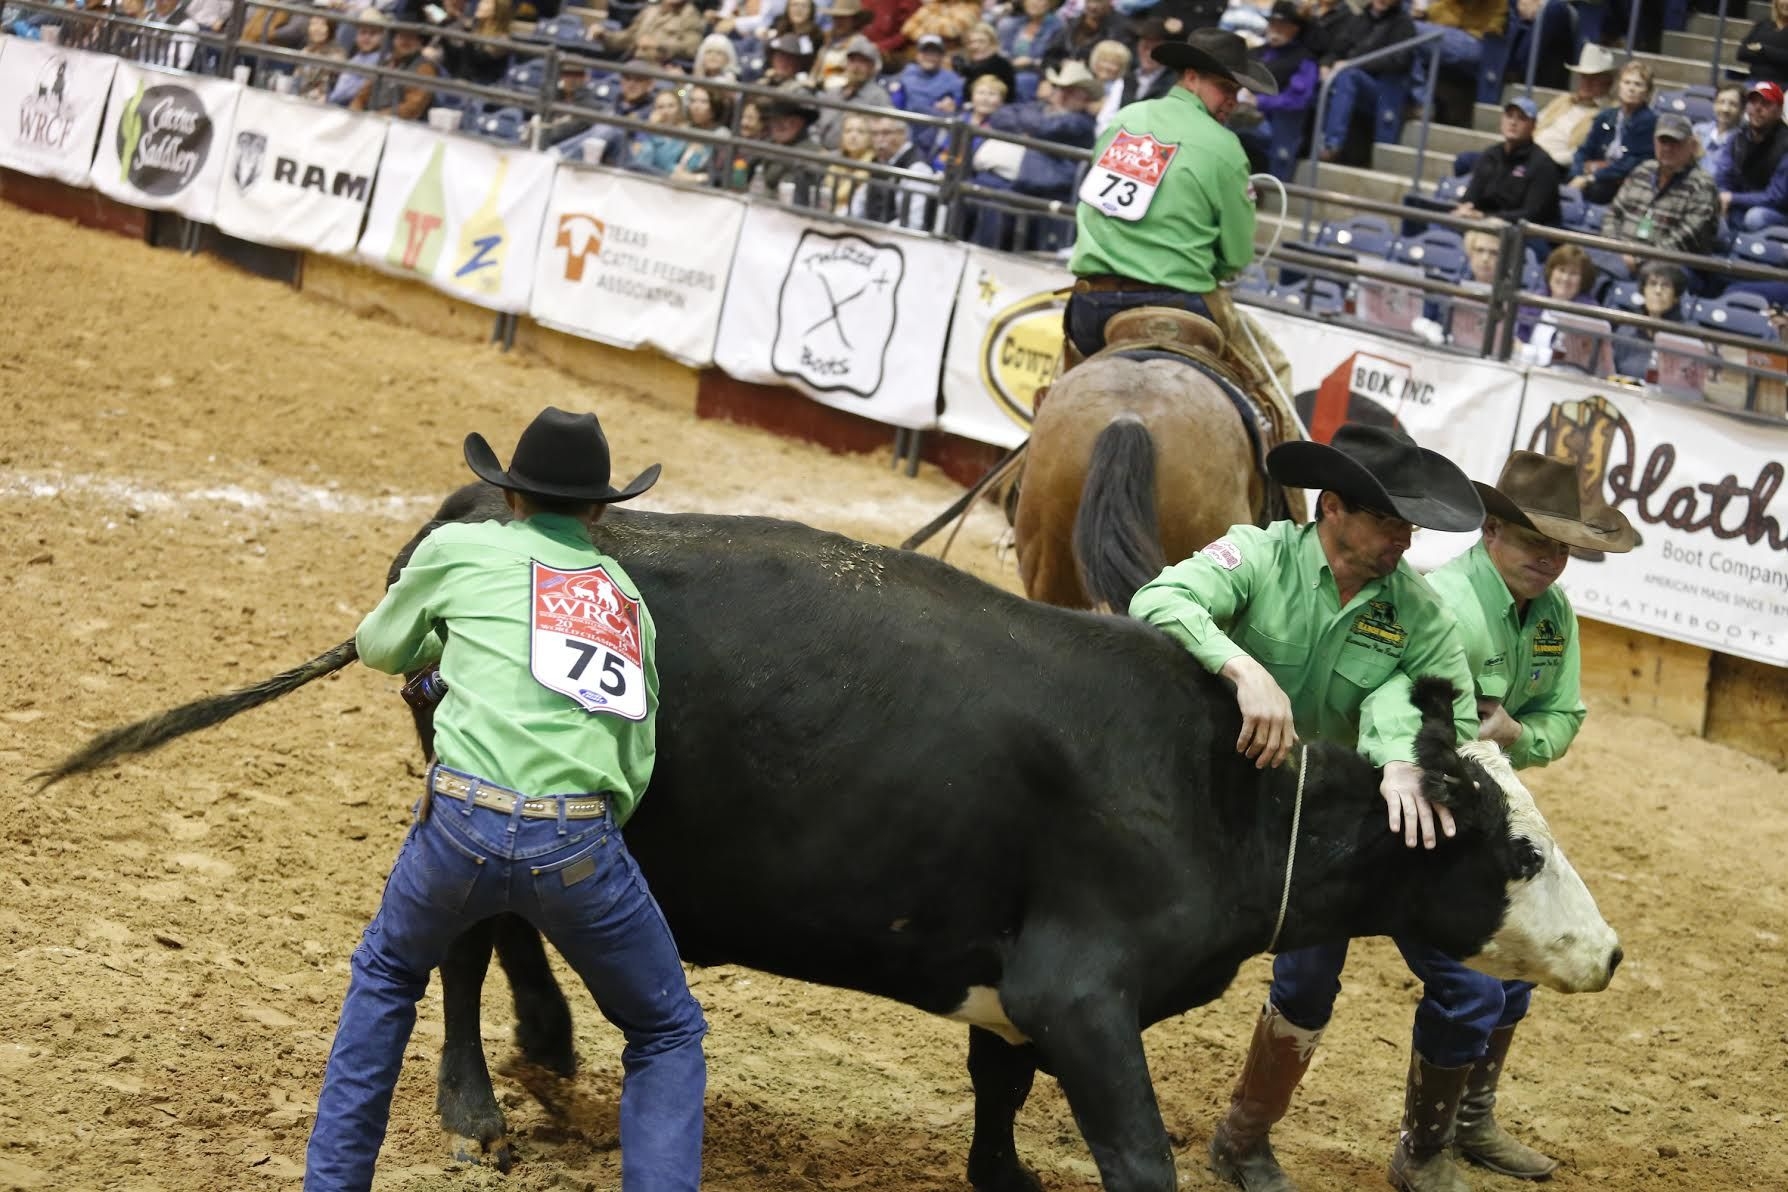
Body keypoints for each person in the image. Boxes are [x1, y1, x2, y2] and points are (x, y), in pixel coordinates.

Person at [303, 407, 707, 1192]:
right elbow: (637, 754)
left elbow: (381, 647)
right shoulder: (625, 599)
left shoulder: (458, 547)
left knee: (387, 977)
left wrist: (439, 650)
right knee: (665, 1031)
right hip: (580, 843)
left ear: (510, 496)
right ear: (599, 512)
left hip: (458, 824)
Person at [1129, 424, 1483, 1192]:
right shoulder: (1258, 554)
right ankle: (1108, 1079)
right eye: (1388, 520)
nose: (1403, 539)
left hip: (1332, 826)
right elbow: (1160, 598)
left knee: (1327, 983)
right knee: (1157, 952)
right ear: (1333, 509)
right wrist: (1242, 667)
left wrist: (1396, 742)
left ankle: (1243, 1139)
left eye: (1408, 525)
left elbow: (1450, 711)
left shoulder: (1414, 609)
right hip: (1223, 801)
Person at [1406, 451, 1637, 1187]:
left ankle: (1468, 1126)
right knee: (1473, 982)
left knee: (1515, 974)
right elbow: (1427, 730)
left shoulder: (1554, 613)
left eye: (1562, 546)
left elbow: (1564, 717)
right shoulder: (1446, 602)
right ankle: (1422, 1151)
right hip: (1413, 813)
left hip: (1482, 819)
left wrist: (1514, 734)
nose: (1551, 558)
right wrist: (1494, 735)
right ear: (1491, 533)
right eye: (1535, 540)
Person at [1065, 28, 1277, 360]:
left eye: (1237, 92)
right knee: (1267, 366)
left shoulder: (1125, 118)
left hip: (1091, 303)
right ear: (1191, 77)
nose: (1233, 102)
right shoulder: (1226, 148)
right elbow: (1236, 255)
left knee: (1064, 375)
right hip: (1176, 303)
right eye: (1225, 88)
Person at [1604, 114, 1721, 274]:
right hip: (1619, 256)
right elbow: (1613, 213)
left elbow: (1686, 238)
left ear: (1691, 145)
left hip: (1671, 265)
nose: (1667, 148)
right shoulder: (1642, 170)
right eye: (1663, 141)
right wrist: (1614, 250)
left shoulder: (1703, 185)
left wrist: (1638, 260)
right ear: (1654, 142)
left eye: (1675, 142)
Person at [1315, 0, 1416, 164]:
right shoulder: (1359, 19)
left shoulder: (1403, 23)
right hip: (1351, 81)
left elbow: (1399, 60)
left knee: (1348, 75)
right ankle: (1313, 147)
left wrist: (1354, 63)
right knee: (1317, 78)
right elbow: (1337, 49)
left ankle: (1332, 145)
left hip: (1382, 91)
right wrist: (1325, 65)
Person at [1452, 96, 1561, 225]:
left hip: (1523, 234)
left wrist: (1485, 216)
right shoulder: (1490, 155)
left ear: (1533, 125)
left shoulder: (1543, 165)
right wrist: (1465, 208)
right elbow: (1471, 195)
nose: (1513, 123)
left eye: (1521, 118)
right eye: (1509, 116)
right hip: (1482, 223)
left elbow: (1532, 214)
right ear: (1502, 120)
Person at [1567, 59, 1656, 205]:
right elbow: (1584, 150)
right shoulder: (1606, 116)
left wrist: (1591, 177)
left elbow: (1631, 162)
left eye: (1638, 84)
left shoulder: (1649, 121)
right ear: (1619, 86)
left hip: (1621, 180)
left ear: (1647, 92)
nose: (1631, 89)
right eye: (1627, 82)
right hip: (1595, 173)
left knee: (1597, 190)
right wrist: (1576, 173)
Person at [1717, 81, 1788, 233]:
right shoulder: (1736, 139)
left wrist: (1732, 198)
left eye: (1766, 103)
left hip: (1777, 212)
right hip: (1740, 205)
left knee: (1754, 218)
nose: (1757, 108)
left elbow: (1776, 197)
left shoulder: (1785, 144)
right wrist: (1722, 198)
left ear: (1779, 111)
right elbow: (1723, 179)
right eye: (1753, 102)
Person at [1531, 43, 1615, 170]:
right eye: (1584, 77)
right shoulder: (1563, 100)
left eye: (1593, 78)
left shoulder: (1608, 113)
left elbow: (1585, 152)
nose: (1587, 82)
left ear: (1607, 83)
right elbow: (1536, 123)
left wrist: (1547, 159)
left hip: (1555, 166)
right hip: (1530, 155)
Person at [1612, 260, 1689, 380]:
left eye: (1666, 285)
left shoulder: (1686, 336)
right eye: (1653, 284)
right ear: (1644, 291)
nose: (1658, 291)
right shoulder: (1625, 330)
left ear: (1676, 297)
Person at [816, 34, 894, 149]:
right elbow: (816, 127)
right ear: (846, 64)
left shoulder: (879, 97)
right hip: (820, 154)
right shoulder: (833, 93)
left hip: (855, 159)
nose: (856, 67)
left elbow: (886, 134)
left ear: (872, 68)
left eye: (863, 62)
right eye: (853, 61)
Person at [350, 24, 439, 121]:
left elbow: (412, 107)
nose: (405, 41)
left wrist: (377, 117)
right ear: (394, 40)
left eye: (411, 37)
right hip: (370, 118)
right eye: (401, 36)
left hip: (397, 125)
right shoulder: (387, 63)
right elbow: (363, 94)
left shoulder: (424, 68)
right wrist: (356, 111)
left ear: (420, 42)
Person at [862, 113, 938, 227]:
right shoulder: (878, 161)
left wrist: (878, 232)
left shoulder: (918, 168)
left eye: (885, 133)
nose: (879, 139)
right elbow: (860, 202)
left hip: (902, 240)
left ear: (902, 134)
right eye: (874, 134)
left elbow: (913, 222)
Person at [894, 32, 963, 153]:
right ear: (918, 55)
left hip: (933, 134)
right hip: (906, 130)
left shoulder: (953, 81)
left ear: (942, 57)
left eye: (934, 53)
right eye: (925, 52)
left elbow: (958, 110)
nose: (929, 57)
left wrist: (953, 106)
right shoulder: (907, 73)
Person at [1694, 83, 1744, 183]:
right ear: (1714, 105)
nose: (1725, 109)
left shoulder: (1742, 142)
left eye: (1733, 104)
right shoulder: (1697, 130)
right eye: (1721, 102)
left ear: (1742, 110)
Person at [1736, 0, 1788, 90]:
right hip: (1754, 82)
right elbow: (1741, 53)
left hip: (1782, 86)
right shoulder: (1763, 24)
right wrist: (1777, 57)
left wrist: (1762, 49)